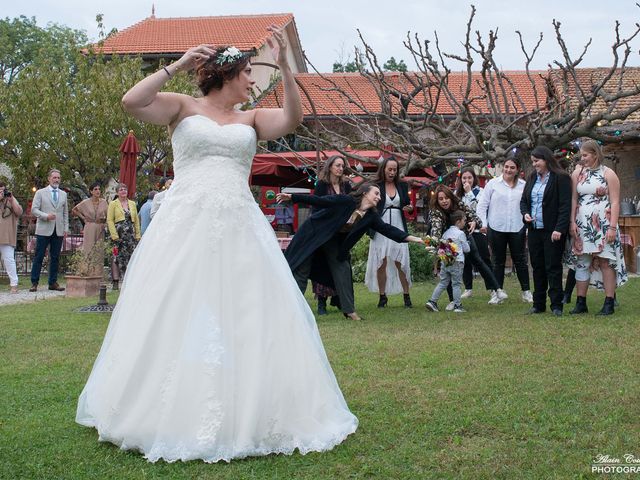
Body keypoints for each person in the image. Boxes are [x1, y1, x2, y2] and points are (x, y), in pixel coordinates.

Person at [77, 27, 358, 463]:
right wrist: (179, 64)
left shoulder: (251, 119)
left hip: (239, 226)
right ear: (227, 73)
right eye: (248, 72)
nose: (251, 81)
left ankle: (248, 404)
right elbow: (132, 101)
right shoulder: (181, 106)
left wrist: (285, 69)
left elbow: (293, 120)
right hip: (184, 224)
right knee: (176, 306)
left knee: (246, 309)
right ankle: (165, 402)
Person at [277, 183, 424, 321]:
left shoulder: (371, 216)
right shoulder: (346, 200)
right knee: (302, 269)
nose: (379, 197)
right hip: (315, 233)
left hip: (334, 242)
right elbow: (320, 201)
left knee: (343, 270)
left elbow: (387, 229)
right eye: (376, 193)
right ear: (365, 193)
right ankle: (292, 309)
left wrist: (414, 239)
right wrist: (293, 197)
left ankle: (349, 311)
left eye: (380, 195)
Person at [569, 139, 627, 315]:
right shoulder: (577, 174)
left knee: (605, 261)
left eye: (585, 155)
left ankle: (609, 302)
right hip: (582, 224)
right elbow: (573, 199)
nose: (583, 158)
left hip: (603, 224)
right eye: (581, 155)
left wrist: (612, 227)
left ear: (595, 154)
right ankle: (581, 302)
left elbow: (615, 202)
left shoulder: (608, 173)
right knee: (582, 261)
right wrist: (572, 221)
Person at [429, 185, 505, 309]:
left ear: (451, 197)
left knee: (479, 262)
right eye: (440, 199)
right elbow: (436, 229)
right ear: (437, 201)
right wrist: (435, 242)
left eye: (446, 198)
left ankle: (497, 289)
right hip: (446, 243)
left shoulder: (459, 204)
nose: (444, 201)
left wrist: (474, 222)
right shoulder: (436, 212)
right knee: (449, 270)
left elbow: (477, 220)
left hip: (464, 238)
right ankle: (453, 301)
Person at [520, 145, 572, 316]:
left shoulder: (561, 177)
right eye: (533, 161)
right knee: (537, 267)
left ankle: (556, 305)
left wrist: (559, 229)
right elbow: (524, 201)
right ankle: (538, 304)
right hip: (534, 230)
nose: (534, 164)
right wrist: (525, 214)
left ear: (546, 160)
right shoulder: (532, 178)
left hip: (553, 231)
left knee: (553, 267)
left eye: (537, 161)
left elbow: (565, 206)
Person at [476, 157, 533, 303]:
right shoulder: (493, 184)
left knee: (520, 260)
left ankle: (526, 291)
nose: (508, 170)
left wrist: (527, 227)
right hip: (496, 227)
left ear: (517, 170)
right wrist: (483, 223)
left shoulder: (524, 185)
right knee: (497, 261)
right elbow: (482, 205)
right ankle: (497, 292)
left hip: (517, 227)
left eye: (512, 167)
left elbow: (528, 206)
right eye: (506, 167)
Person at [364, 157, 414, 308]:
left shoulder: (403, 185)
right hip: (381, 226)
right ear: (383, 169)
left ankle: (406, 296)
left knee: (400, 261)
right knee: (381, 261)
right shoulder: (376, 186)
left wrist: (409, 209)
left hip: (398, 224)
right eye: (389, 169)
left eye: (395, 170)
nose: (392, 172)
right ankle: (382, 296)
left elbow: (407, 205)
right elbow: (368, 204)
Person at [312, 155, 352, 315]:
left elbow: (350, 204)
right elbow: (316, 205)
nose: (340, 168)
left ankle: (338, 299)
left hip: (341, 231)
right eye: (337, 165)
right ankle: (321, 302)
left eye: (342, 166)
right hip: (324, 229)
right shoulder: (322, 185)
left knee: (341, 264)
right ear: (330, 167)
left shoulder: (345, 185)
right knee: (323, 264)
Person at [454, 168, 493, 301]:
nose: (466, 181)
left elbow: (478, 208)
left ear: (474, 178)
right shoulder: (457, 194)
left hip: (478, 230)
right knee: (465, 261)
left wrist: (469, 192)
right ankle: (468, 288)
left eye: (469, 178)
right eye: (464, 178)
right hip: (462, 232)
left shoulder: (481, 192)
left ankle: (492, 287)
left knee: (484, 259)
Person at [29, 169, 69, 292]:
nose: (56, 180)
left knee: (55, 257)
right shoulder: (40, 193)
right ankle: (34, 282)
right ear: (49, 179)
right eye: (54, 178)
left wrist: (66, 228)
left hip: (58, 229)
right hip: (44, 229)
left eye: (58, 178)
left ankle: (53, 282)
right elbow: (34, 210)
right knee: (39, 256)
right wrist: (46, 216)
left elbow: (65, 212)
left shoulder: (63, 194)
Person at [425, 210, 470, 313]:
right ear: (458, 222)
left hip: (445, 260)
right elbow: (467, 249)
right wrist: (468, 243)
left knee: (443, 282)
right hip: (457, 261)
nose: (465, 222)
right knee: (456, 284)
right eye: (464, 220)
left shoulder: (446, 233)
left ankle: (432, 301)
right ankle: (457, 306)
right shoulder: (461, 234)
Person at [106, 183, 141, 289]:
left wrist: (138, 234)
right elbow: (110, 220)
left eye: (125, 189)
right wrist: (114, 235)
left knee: (131, 257)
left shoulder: (132, 203)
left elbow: (136, 221)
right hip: (119, 233)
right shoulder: (113, 204)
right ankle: (117, 280)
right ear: (117, 192)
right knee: (118, 257)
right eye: (121, 190)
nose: (123, 191)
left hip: (130, 234)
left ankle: (130, 280)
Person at [71, 182, 108, 253]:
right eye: (95, 189)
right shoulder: (86, 202)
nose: (98, 191)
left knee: (99, 249)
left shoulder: (104, 202)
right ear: (91, 191)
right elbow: (74, 210)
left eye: (99, 189)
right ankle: (87, 264)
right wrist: (83, 218)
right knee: (89, 248)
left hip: (100, 226)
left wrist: (106, 224)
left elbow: (108, 215)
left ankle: (98, 264)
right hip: (89, 226)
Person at [0, 182, 23, 293]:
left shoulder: (10, 199)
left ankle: (14, 285)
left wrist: (11, 199)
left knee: (9, 260)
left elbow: (19, 212)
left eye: (2, 190)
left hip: (6, 235)